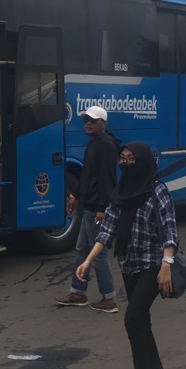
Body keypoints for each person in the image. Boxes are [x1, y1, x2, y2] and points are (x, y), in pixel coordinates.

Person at [76, 141, 179, 369]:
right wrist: (87, 261)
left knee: (133, 317)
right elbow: (107, 230)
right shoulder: (121, 191)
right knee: (141, 320)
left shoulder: (158, 191)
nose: (126, 163)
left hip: (154, 266)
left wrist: (166, 263)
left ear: (145, 161)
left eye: (132, 158)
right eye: (122, 158)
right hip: (129, 263)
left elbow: (169, 229)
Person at [55, 106, 121, 313]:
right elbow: (87, 176)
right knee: (82, 249)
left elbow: (106, 180)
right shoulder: (94, 143)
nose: (88, 124)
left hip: (96, 208)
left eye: (93, 120)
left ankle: (108, 299)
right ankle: (78, 293)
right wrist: (75, 195)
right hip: (89, 206)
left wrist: (102, 208)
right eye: (85, 120)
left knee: (97, 253)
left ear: (104, 123)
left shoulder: (107, 146)